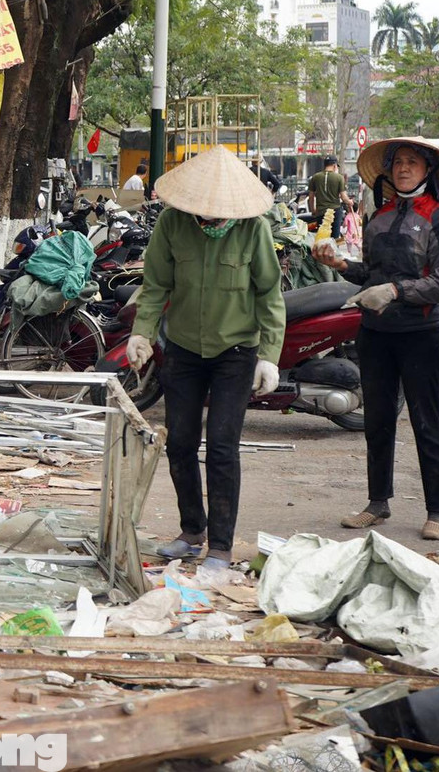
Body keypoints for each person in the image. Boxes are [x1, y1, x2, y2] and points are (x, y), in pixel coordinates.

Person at [126, 146, 286, 570]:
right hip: (182, 348)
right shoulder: (172, 224)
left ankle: (220, 544)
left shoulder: (253, 231)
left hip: (236, 352)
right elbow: (156, 285)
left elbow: (269, 295)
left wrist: (269, 356)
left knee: (221, 446)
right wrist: (141, 334)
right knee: (179, 443)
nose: (210, 215)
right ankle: (191, 530)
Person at [314, 137, 439, 540]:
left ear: (429, 171)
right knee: (377, 422)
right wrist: (340, 263)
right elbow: (370, 274)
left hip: (421, 335)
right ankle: (377, 503)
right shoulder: (378, 216)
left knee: (427, 422)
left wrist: (396, 292)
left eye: (412, 162)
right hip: (375, 334)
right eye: (397, 163)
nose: (403, 168)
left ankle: (438, 511)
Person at [307, 157, 354, 239]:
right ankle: (334, 250)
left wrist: (313, 210)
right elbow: (343, 197)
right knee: (335, 238)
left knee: (322, 237)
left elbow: (311, 197)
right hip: (335, 211)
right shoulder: (339, 178)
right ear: (334, 165)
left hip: (321, 211)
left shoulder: (315, 177)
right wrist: (350, 202)